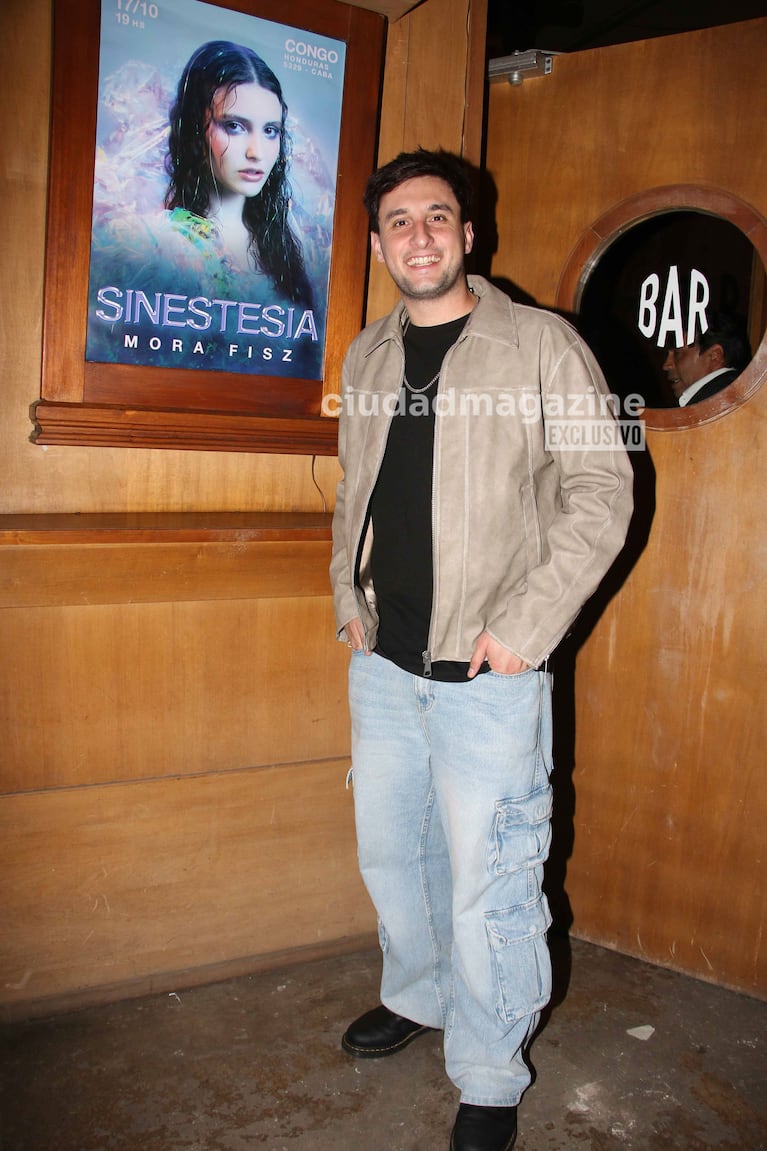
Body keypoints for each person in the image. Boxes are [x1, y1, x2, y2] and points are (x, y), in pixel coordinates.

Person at [329, 149, 634, 1151]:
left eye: (437, 216)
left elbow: (599, 490)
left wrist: (526, 625)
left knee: (490, 877)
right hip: (384, 663)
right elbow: (352, 489)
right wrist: (347, 594)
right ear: (378, 245)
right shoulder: (368, 356)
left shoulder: (537, 344)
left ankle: (492, 1071)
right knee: (393, 857)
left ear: (467, 234)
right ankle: (418, 996)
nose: (418, 234)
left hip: (487, 668)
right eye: (399, 222)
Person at [164, 40, 312, 305]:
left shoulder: (283, 246)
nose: (256, 152)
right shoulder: (159, 241)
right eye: (234, 126)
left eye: (270, 130)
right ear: (196, 129)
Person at [662, 310, 751, 406]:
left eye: (677, 353)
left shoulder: (713, 407)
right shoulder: (738, 396)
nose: (666, 365)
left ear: (714, 356)